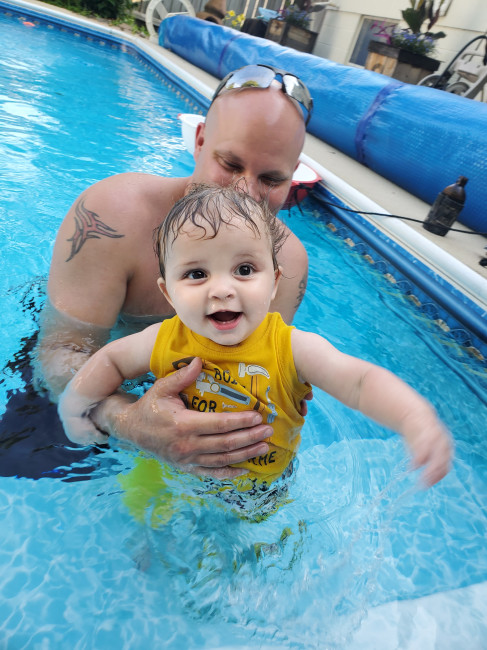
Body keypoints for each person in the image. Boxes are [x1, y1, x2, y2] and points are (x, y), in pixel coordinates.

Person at [59, 183, 452, 492]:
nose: (222, 289)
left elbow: (361, 382)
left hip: (256, 492)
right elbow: (109, 360)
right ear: (168, 293)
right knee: (144, 523)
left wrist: (413, 417)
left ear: (274, 282)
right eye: (196, 274)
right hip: (169, 468)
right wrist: (74, 408)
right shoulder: (162, 338)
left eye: (244, 269)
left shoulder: (292, 349)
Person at [33, 64, 313, 479]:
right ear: (199, 142)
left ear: (292, 182)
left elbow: (251, 366)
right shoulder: (114, 216)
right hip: (96, 367)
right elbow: (60, 352)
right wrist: (127, 419)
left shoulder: (287, 261)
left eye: (271, 179)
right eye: (231, 164)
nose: (245, 194)